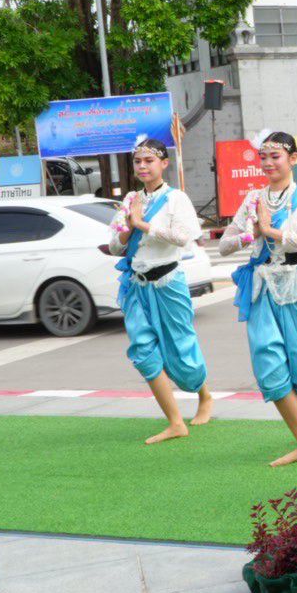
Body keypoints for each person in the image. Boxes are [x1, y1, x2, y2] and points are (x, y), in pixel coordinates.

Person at [218, 130, 297, 467]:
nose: (267, 163)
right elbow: (224, 244)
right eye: (263, 157)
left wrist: (273, 232)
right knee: (269, 364)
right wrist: (250, 233)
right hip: (262, 288)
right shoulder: (253, 199)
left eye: (275, 156)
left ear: (292, 159)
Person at [106, 135, 214, 445]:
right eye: (138, 161)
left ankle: (204, 395)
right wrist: (127, 229)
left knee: (180, 347)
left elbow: (184, 237)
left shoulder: (175, 199)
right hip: (136, 286)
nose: (142, 166)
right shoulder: (129, 200)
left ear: (163, 164)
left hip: (169, 283)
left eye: (149, 160)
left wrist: (142, 225)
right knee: (143, 353)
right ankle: (176, 421)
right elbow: (115, 245)